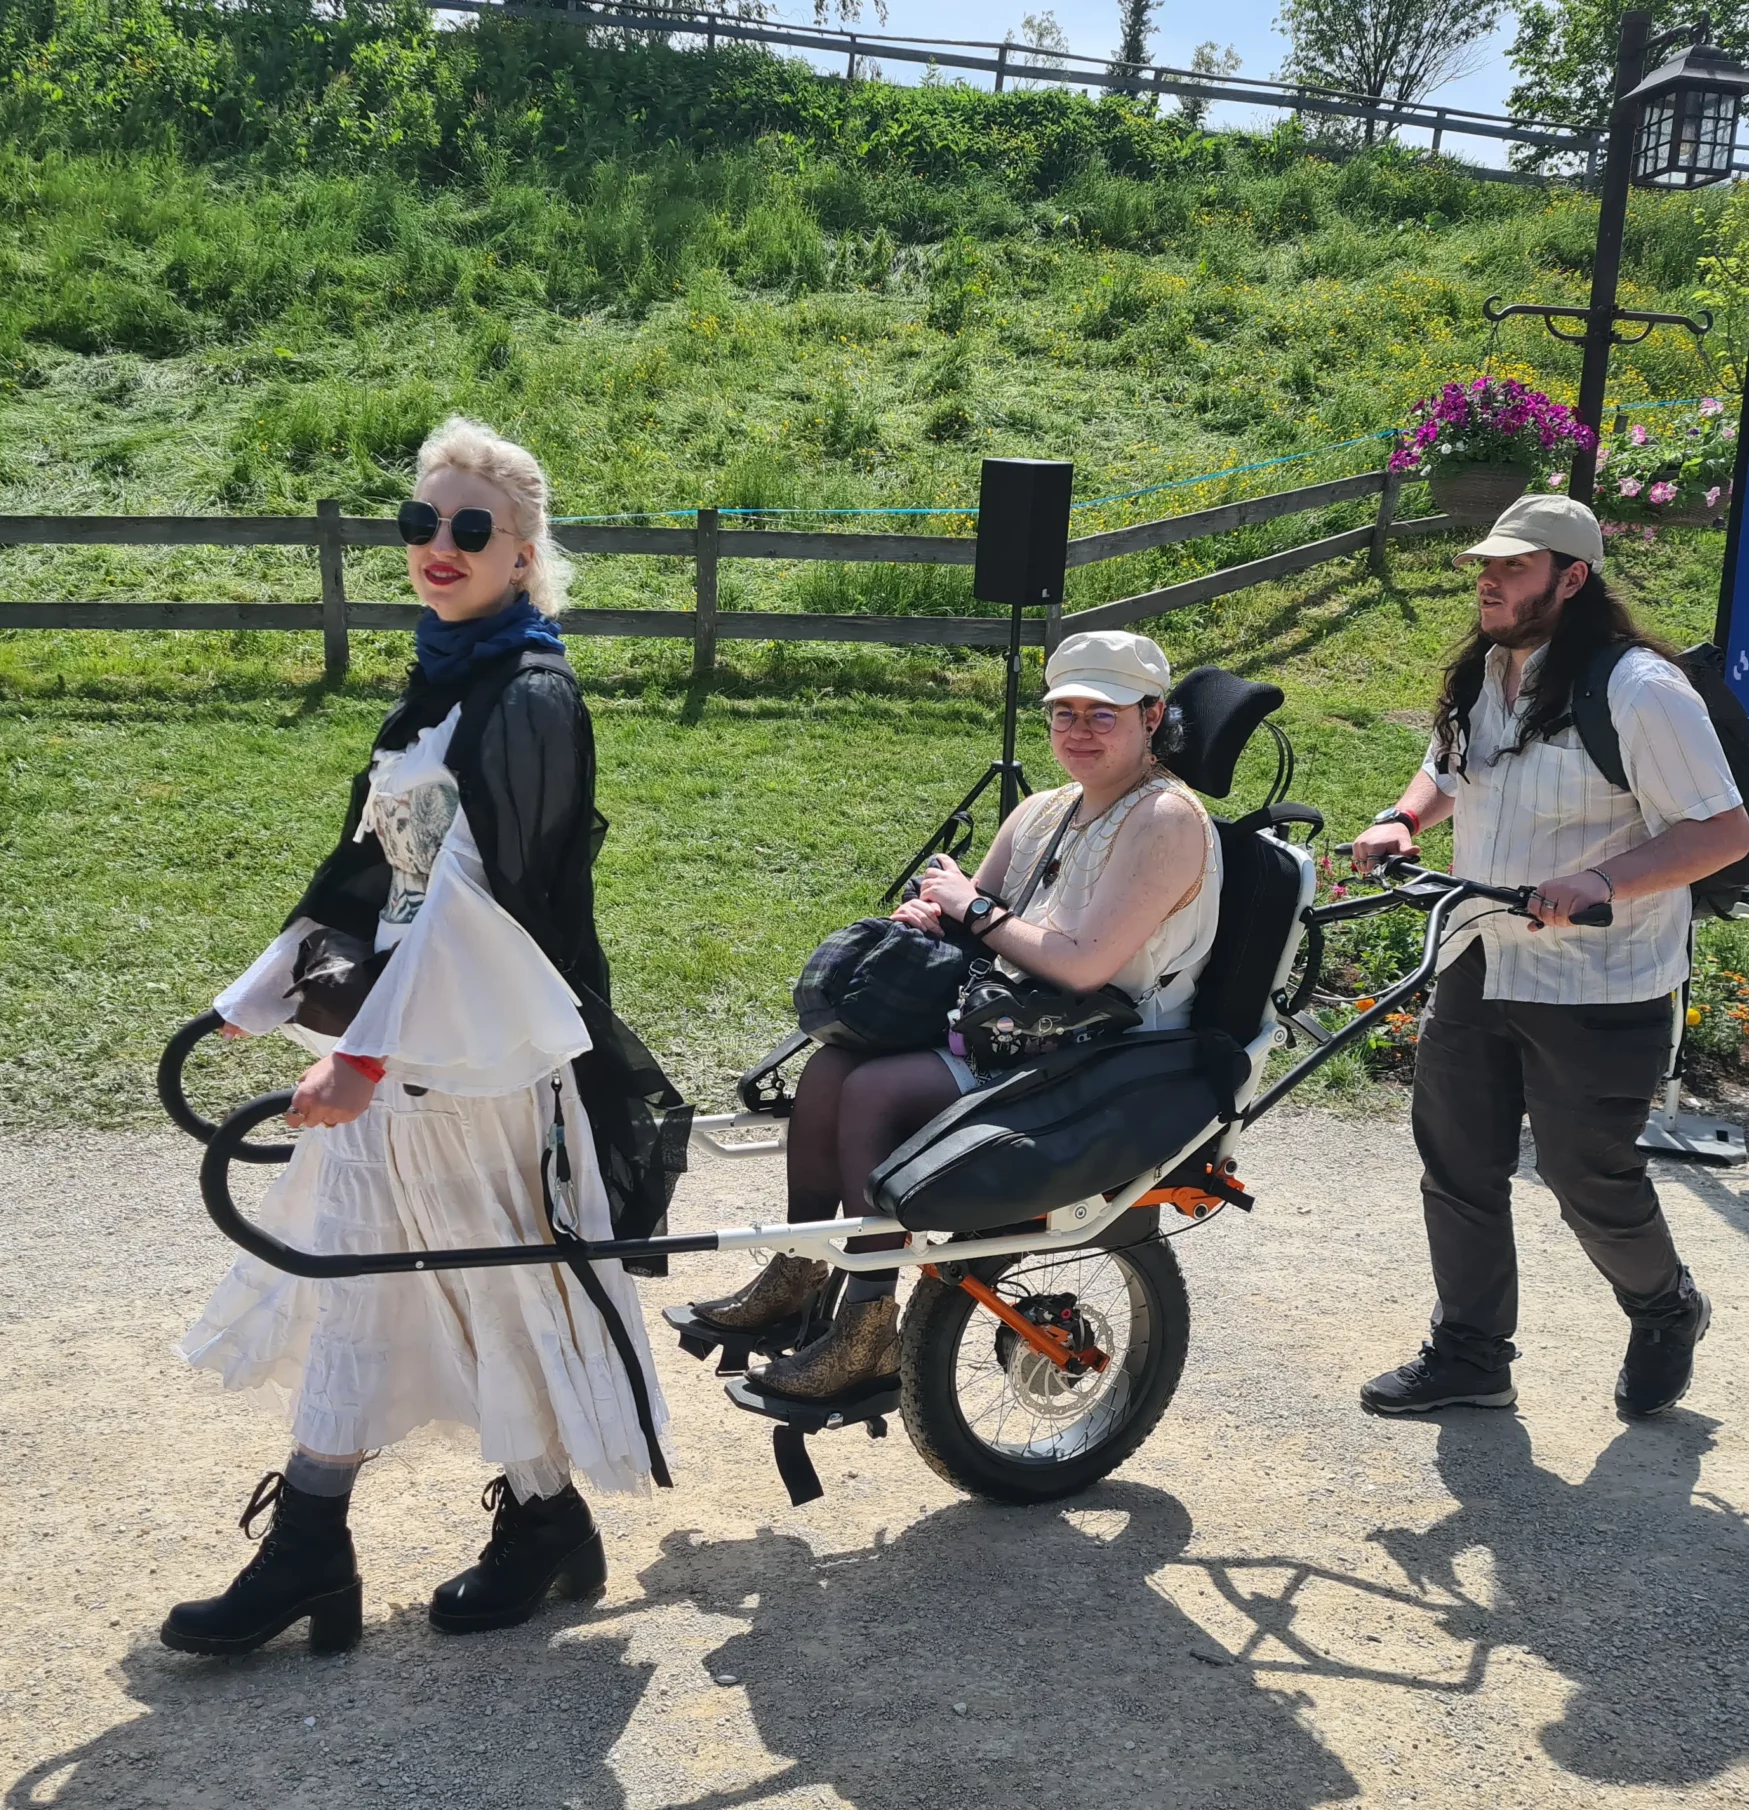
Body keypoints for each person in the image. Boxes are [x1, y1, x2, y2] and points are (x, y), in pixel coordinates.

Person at [162, 417, 685, 1654]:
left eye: (468, 530)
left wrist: (365, 1054)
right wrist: (267, 993)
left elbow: (489, 911)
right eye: (420, 525)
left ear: (522, 552)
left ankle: (542, 1523)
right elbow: (372, 870)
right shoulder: (439, 678)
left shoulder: (531, 695)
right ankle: (311, 1551)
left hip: (483, 1053)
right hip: (398, 1043)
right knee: (354, 1283)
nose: (436, 549)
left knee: (498, 1291)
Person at [676, 630, 1219, 1401]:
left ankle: (868, 1328)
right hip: (1021, 1018)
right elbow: (973, 917)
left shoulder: (1165, 819)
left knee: (874, 1091)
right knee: (832, 1063)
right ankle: (800, 1269)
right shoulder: (1045, 809)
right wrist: (936, 917)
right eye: (1064, 713)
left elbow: (1086, 963)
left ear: (1153, 715)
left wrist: (975, 907)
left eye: (1104, 714)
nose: (1079, 731)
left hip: (1106, 1046)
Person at [1350, 496, 1749, 1421]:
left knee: (1586, 1177)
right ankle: (1471, 1354)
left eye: (1514, 569)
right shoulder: (1485, 671)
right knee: (1458, 1163)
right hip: (1479, 955)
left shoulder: (1641, 689)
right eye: (1485, 566)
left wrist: (1602, 879)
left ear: (1572, 580)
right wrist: (1403, 818)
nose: (1488, 582)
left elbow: (1723, 830)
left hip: (1600, 983)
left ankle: (1664, 1308)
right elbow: (1449, 770)